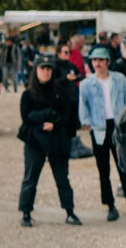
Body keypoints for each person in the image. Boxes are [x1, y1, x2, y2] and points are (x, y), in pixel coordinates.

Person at [78, 46, 126, 222]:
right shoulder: (87, 84)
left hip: (119, 126)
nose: (97, 63)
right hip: (99, 127)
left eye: (101, 60)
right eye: (95, 60)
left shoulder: (118, 79)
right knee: (103, 169)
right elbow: (83, 104)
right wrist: (87, 123)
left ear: (108, 62)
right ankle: (110, 205)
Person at [17, 55, 82, 227]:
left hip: (56, 139)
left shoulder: (60, 92)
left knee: (62, 178)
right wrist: (44, 119)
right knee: (30, 177)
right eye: (42, 68)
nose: (46, 72)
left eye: (49, 69)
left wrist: (55, 124)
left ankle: (70, 212)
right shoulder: (28, 94)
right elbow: (26, 117)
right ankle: (26, 213)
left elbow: (67, 115)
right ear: (36, 70)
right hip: (35, 140)